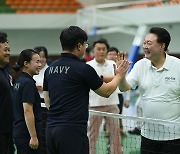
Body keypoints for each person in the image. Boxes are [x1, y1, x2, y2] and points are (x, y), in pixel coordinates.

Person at [43, 26, 131, 154]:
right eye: (85, 44)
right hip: (72, 131)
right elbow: (106, 91)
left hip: (50, 129)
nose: (85, 48)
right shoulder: (84, 69)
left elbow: (47, 100)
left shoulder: (49, 69)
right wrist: (119, 75)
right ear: (79, 46)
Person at [119, 27, 180, 153]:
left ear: (162, 46)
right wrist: (120, 76)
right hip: (147, 135)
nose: (145, 46)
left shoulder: (177, 66)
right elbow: (124, 87)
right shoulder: (140, 65)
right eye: (144, 42)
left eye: (149, 43)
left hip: (174, 136)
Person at [87, 40, 122, 154]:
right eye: (98, 49)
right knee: (92, 135)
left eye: (104, 49)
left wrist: (100, 78)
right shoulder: (88, 66)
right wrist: (108, 78)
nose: (101, 51)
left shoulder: (113, 64)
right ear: (93, 51)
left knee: (115, 134)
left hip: (112, 103)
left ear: (107, 50)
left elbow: (118, 77)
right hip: (94, 105)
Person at [13, 49, 42, 154]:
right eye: (37, 62)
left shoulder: (19, 81)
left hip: (19, 132)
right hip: (26, 135)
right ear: (26, 63)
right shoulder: (28, 83)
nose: (40, 64)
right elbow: (27, 111)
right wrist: (33, 137)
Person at [0, 32, 14, 154]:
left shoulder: (5, 71)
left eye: (9, 50)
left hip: (8, 130)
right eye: (5, 50)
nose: (8, 53)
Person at [33, 46, 49, 154]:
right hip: (34, 104)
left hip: (46, 105)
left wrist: (42, 88)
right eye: (39, 57)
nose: (41, 60)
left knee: (45, 134)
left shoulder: (49, 70)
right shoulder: (32, 71)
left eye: (43, 57)